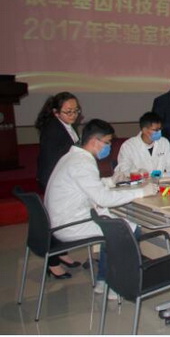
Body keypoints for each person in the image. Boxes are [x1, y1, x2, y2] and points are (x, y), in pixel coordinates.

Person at [45, 119, 158, 297]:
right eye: (107, 142)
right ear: (94, 141)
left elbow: (85, 186)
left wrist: (110, 181)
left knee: (114, 227)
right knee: (128, 230)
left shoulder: (72, 157)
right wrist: (141, 192)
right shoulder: (82, 163)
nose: (109, 147)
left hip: (62, 220)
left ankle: (104, 280)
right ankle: (117, 284)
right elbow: (103, 199)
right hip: (69, 224)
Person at [34, 92, 82, 278]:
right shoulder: (53, 130)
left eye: (76, 110)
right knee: (57, 220)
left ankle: (62, 253)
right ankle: (52, 262)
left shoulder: (65, 125)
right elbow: (54, 161)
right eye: (68, 111)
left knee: (64, 218)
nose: (73, 115)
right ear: (55, 112)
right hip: (53, 180)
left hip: (61, 179)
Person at [114, 112, 170, 180]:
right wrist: (138, 173)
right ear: (144, 130)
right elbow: (123, 169)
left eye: (160, 129)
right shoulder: (128, 146)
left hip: (161, 183)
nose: (159, 132)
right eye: (156, 130)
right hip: (139, 184)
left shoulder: (163, 142)